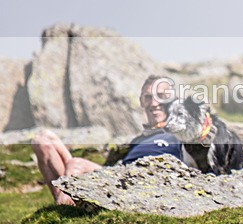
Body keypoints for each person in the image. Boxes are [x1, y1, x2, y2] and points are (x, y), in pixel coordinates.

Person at [32, 75, 183, 205]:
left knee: (76, 164)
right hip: (117, 178)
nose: (154, 103)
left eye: (161, 96)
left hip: (145, 184)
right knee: (42, 141)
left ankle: (62, 207)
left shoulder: (183, 134)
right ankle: (66, 203)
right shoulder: (138, 139)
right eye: (148, 97)